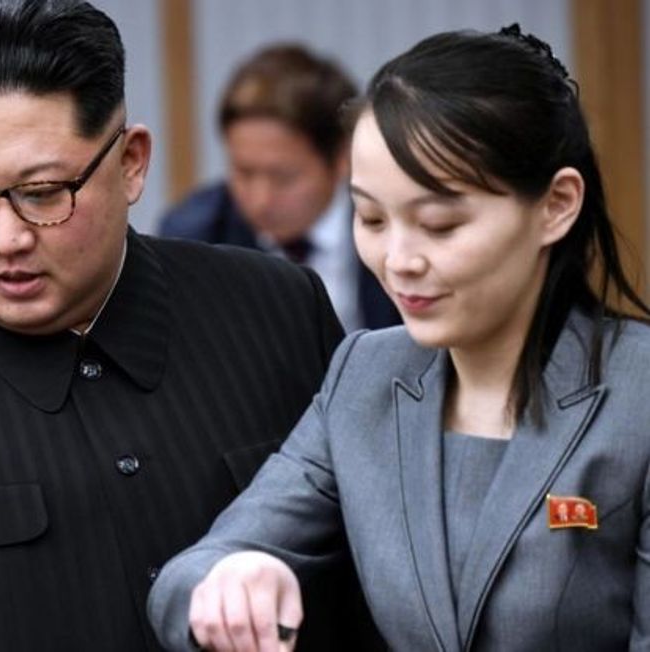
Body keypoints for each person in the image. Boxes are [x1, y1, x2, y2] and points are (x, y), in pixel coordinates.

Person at [0, 1, 371, 650]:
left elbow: (375, 588)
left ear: (131, 162)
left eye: (44, 192)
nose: (6, 237)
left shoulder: (277, 311)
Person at [149, 24, 650, 652]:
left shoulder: (638, 396)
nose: (398, 259)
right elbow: (188, 577)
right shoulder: (366, 373)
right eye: (372, 218)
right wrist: (231, 575)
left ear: (556, 205)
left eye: (439, 224)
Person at [158, 44, 399, 332]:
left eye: (283, 177)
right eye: (244, 173)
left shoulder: (397, 225)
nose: (260, 201)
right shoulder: (194, 239)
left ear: (341, 159)